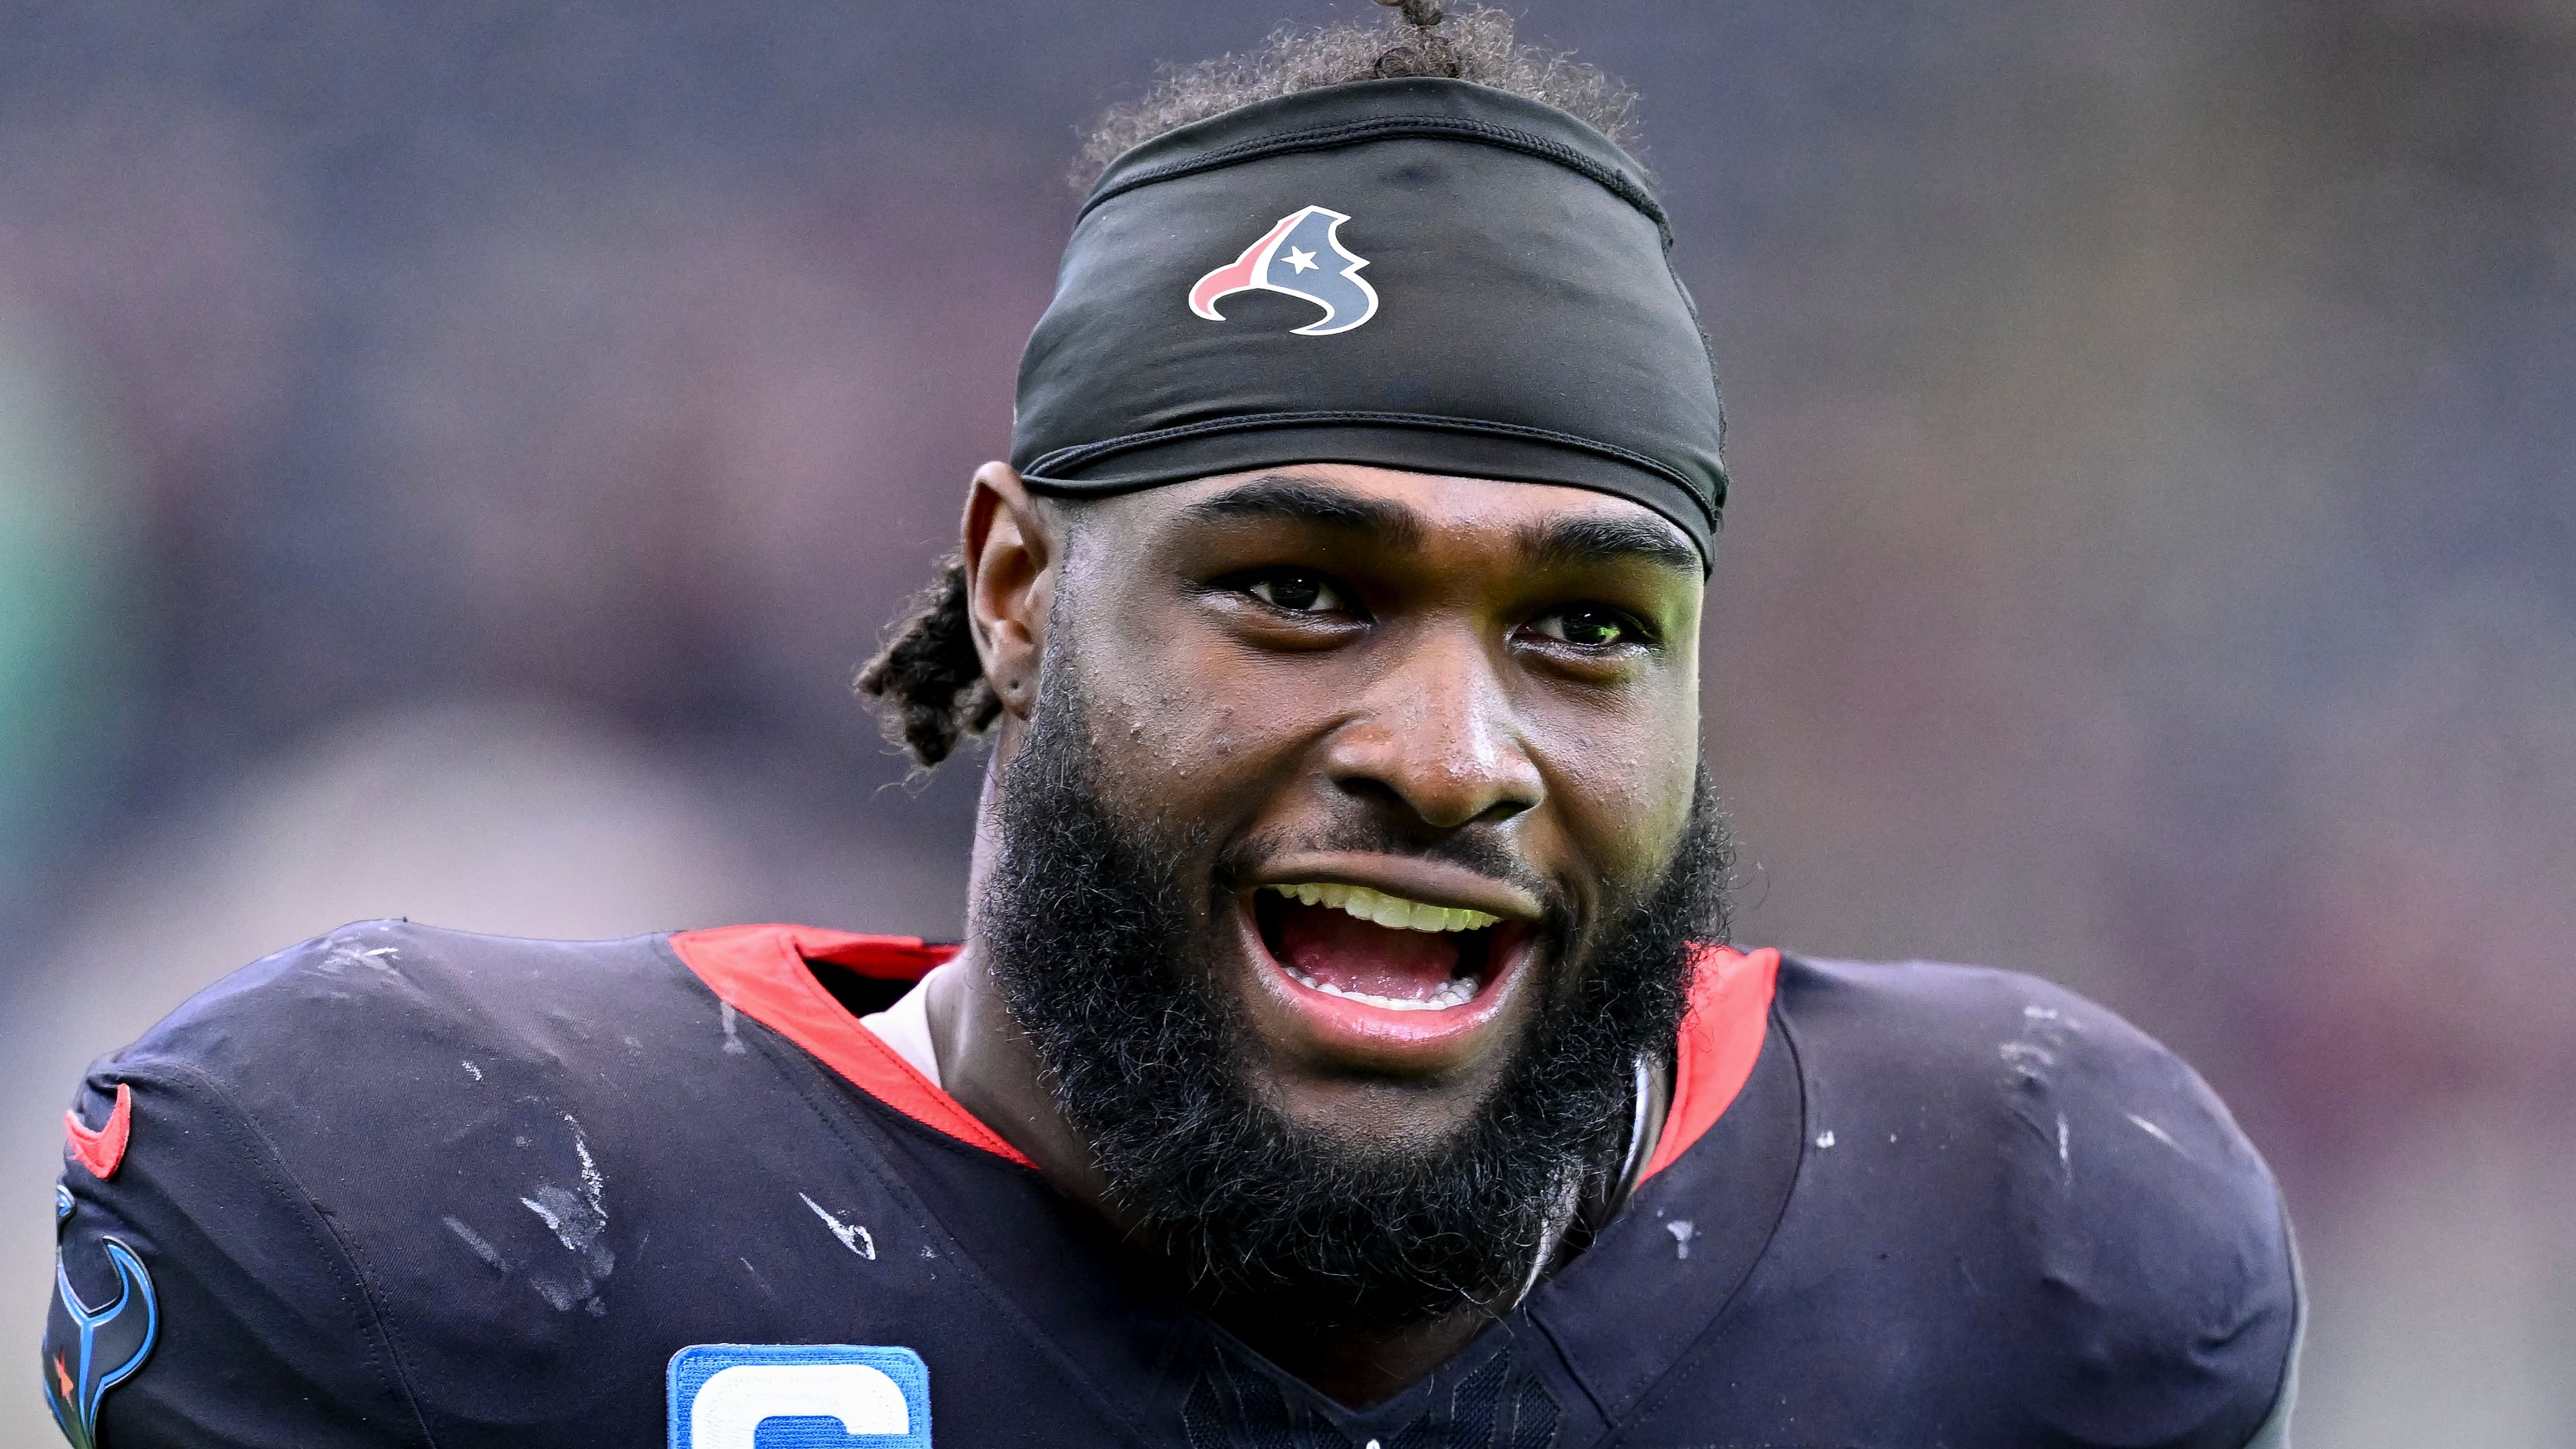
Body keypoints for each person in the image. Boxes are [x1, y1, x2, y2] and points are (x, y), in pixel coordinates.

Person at [40, 6, 2300, 1446]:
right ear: (1016, 590)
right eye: (1304, 592)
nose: (1452, 747)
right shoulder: (459, 1231)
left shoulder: (2028, 1259)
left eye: (1586, 630)